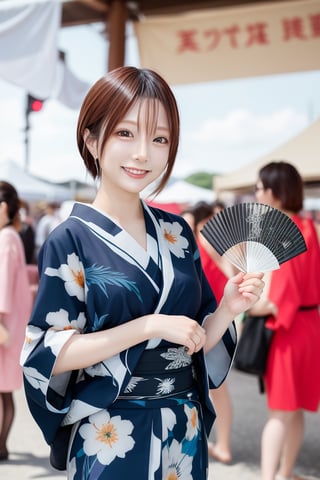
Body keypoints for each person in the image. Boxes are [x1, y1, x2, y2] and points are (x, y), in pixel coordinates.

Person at [20, 66, 264, 479]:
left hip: (182, 426)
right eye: (125, 133)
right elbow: (49, 353)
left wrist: (225, 309)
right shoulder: (70, 239)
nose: (143, 153)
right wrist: (148, 326)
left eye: (160, 138)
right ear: (92, 139)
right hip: (110, 431)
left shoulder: (177, 233)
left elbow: (192, 341)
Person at [249, 161, 320, 480]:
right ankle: (285, 472)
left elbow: (277, 301)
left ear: (276, 192)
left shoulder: (280, 231)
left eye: (261, 188)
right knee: (298, 408)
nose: (257, 193)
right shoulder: (309, 227)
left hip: (287, 332)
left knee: (279, 413)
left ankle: (268, 477)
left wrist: (252, 308)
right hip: (311, 327)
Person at [192, 201, 235, 464]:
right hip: (205, 320)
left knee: (216, 388)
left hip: (214, 320)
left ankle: (224, 445)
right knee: (213, 388)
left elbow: (230, 275)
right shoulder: (203, 243)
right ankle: (220, 444)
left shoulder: (214, 245)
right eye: (214, 219)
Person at [0, 181, 33, 460]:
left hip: (4, 326)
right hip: (11, 324)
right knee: (5, 391)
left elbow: (2, 284)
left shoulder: (5, 239)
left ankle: (1, 447)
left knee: (4, 391)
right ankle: (2, 446)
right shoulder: (12, 236)